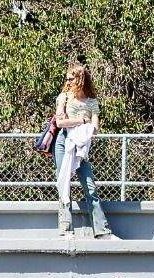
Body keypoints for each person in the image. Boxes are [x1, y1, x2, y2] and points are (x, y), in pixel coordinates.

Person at [50, 62, 110, 239]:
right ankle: (66, 229)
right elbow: (60, 123)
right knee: (63, 183)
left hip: (81, 146)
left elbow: (96, 129)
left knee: (90, 186)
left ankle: (102, 230)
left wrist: (81, 123)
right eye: (66, 78)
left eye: (71, 78)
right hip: (64, 141)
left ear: (80, 79)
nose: (67, 81)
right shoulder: (64, 98)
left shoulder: (92, 102)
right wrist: (83, 121)